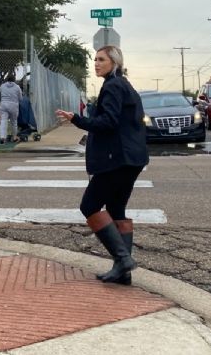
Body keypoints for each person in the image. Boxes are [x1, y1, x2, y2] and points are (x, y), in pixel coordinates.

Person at [55, 45, 148, 284]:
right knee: (116, 210)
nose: (96, 64)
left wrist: (77, 120)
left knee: (90, 205)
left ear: (114, 62)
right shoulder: (124, 85)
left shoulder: (113, 86)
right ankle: (123, 272)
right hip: (131, 159)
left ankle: (123, 259)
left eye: (101, 60)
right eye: (95, 59)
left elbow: (108, 121)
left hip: (116, 159)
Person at [0, 75, 23, 144]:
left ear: (6, 79)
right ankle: (14, 137)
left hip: (3, 105)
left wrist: (2, 100)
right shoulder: (17, 87)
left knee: (3, 121)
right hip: (13, 105)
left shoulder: (2, 86)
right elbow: (20, 98)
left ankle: (2, 137)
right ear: (14, 80)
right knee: (14, 122)